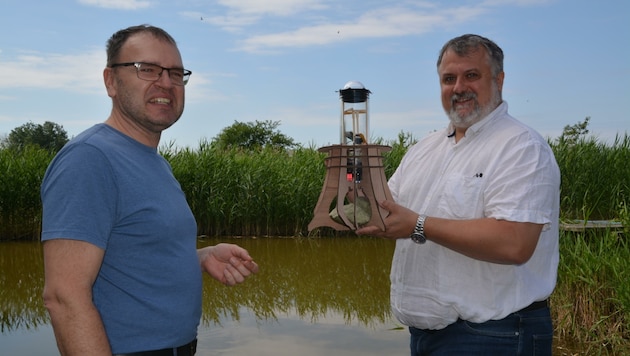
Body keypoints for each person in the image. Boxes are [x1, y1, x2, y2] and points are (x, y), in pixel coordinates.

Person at [41, 24, 259, 356]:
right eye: (148, 69)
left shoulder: (153, 161)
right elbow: (64, 298)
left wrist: (198, 258)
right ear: (110, 81)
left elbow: (128, 249)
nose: (166, 83)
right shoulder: (90, 159)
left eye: (175, 73)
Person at [356, 34, 560, 355]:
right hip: (426, 336)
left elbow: (515, 242)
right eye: (449, 79)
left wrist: (418, 225)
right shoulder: (425, 148)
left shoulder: (520, 146)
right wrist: (354, 178)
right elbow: (386, 212)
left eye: (471, 75)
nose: (459, 87)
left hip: (496, 335)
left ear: (499, 79)